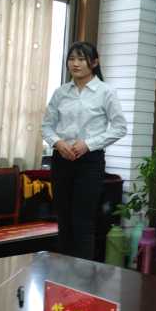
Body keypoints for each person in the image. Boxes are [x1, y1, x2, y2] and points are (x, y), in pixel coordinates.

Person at [42, 41, 127, 260]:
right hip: (61, 160)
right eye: (72, 59)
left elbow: (120, 127)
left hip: (90, 162)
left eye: (81, 59)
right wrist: (58, 143)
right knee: (63, 220)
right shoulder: (61, 92)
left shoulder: (106, 92)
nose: (75, 64)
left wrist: (88, 144)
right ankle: (63, 274)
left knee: (83, 222)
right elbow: (46, 126)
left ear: (94, 62)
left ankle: (82, 276)